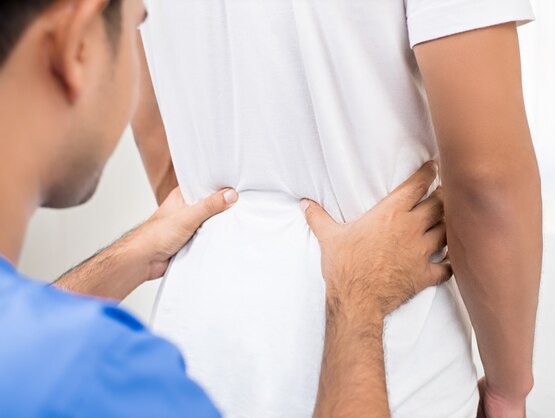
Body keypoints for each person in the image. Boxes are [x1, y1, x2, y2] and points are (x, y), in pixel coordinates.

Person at [0, 0, 451, 417]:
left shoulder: (42, 358)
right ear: (74, 45)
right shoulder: (113, 381)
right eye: (139, 23)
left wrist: (130, 255)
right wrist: (358, 301)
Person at [135, 0, 543, 417]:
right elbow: (486, 177)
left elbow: (145, 117)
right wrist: (507, 389)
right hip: (390, 364)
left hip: (195, 348)